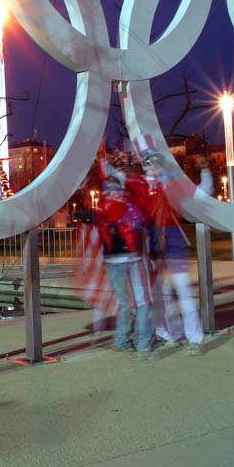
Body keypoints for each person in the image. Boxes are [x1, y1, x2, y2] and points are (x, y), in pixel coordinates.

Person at [134, 135, 212, 356]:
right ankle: (168, 334)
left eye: (154, 161)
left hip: (174, 247)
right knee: (161, 297)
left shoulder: (173, 186)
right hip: (155, 251)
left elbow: (202, 194)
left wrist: (205, 171)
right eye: (147, 162)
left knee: (184, 295)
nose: (151, 166)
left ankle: (194, 339)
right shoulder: (142, 189)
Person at [96, 148, 154, 357]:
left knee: (124, 302)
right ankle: (143, 343)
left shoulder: (102, 206)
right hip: (133, 258)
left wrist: (103, 155)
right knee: (142, 301)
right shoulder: (131, 203)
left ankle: (122, 340)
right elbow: (141, 225)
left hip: (113, 261)